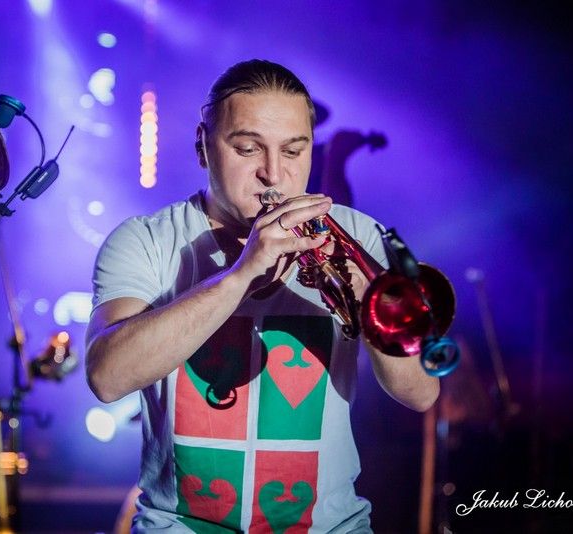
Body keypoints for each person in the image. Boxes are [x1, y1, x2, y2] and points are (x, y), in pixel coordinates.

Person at [86, 59, 438, 533]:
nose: (273, 174)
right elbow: (107, 378)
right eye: (248, 148)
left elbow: (421, 394)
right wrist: (241, 275)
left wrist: (365, 299)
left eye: (293, 150)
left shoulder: (360, 237)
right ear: (202, 146)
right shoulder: (145, 240)